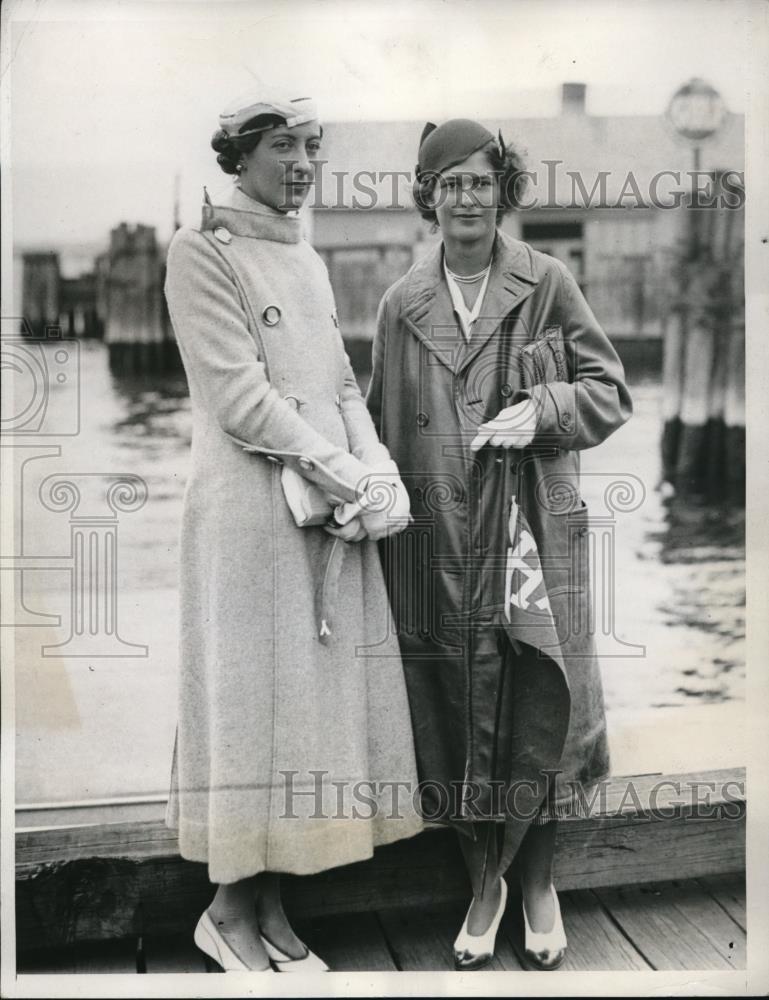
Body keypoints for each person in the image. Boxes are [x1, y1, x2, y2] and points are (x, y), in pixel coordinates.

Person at [163, 91, 422, 973]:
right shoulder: (200, 253)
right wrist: (346, 474)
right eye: (283, 145)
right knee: (251, 710)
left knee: (303, 711)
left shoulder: (303, 257)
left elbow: (342, 384)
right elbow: (239, 401)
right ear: (237, 154)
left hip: (324, 510)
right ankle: (226, 910)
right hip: (247, 516)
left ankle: (271, 905)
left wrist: (376, 468)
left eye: (312, 145)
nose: (303, 163)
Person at [364, 118, 633, 970]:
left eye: (481, 182)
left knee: (538, 697)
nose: (466, 199)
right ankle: (485, 881)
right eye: (450, 185)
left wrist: (544, 412)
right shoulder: (399, 305)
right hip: (437, 543)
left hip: (532, 535)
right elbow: (373, 427)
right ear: (428, 197)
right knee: (453, 707)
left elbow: (608, 391)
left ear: (502, 190)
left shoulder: (547, 281)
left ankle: (540, 882)